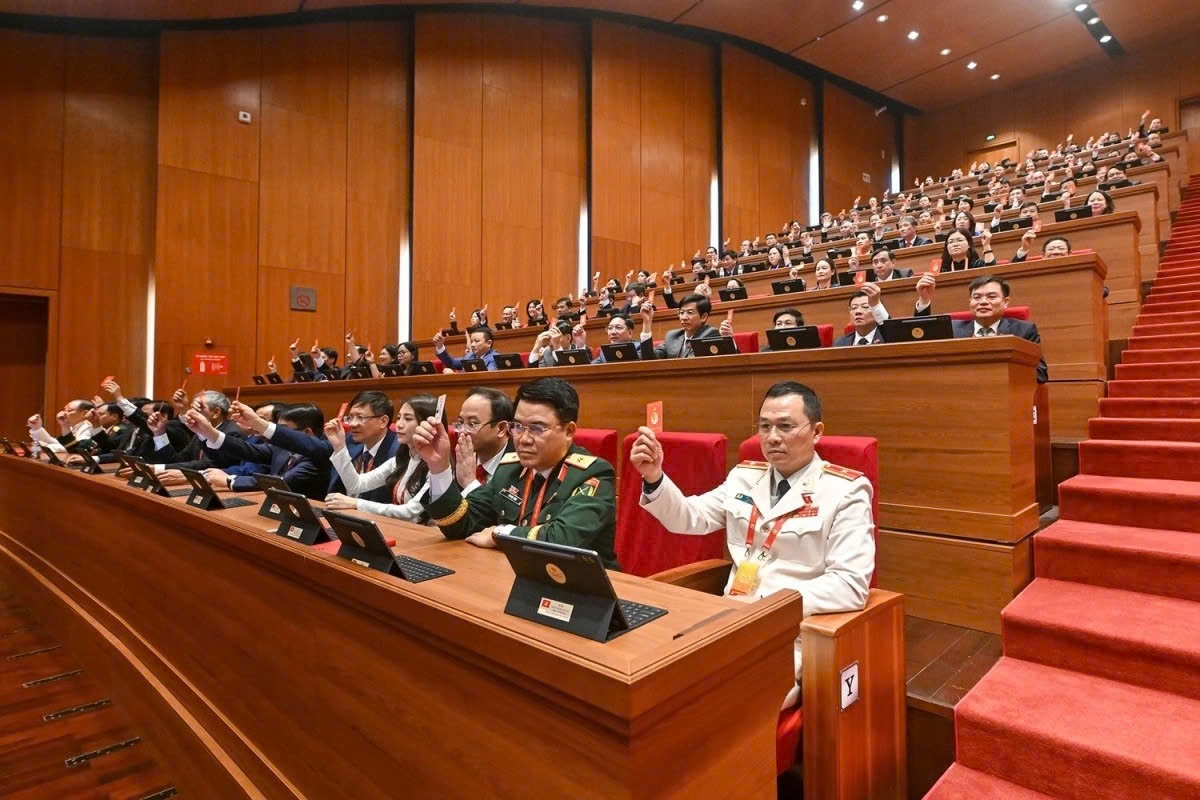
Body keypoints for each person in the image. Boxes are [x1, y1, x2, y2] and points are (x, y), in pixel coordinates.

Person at [630, 380, 873, 708]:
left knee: (706, 701)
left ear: (816, 431)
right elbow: (689, 518)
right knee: (648, 678)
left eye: (785, 426)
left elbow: (849, 585)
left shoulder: (846, 491)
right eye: (765, 427)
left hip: (789, 634)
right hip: (724, 622)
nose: (772, 438)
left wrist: (764, 606)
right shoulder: (744, 476)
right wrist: (654, 476)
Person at [411, 377, 619, 567]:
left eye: (537, 428)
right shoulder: (511, 467)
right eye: (518, 426)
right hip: (517, 576)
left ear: (569, 431)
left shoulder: (592, 474)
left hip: (580, 590)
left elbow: (562, 540)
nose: (524, 439)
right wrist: (438, 467)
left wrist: (499, 533)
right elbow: (461, 523)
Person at [234, 389, 401, 504]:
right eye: (351, 418)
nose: (354, 424)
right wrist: (259, 424)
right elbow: (307, 444)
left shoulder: (399, 451)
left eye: (361, 418)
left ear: (383, 421)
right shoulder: (349, 441)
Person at [322, 394, 441, 521]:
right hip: (399, 529)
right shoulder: (401, 460)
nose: (399, 424)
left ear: (429, 425)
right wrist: (340, 447)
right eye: (399, 418)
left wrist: (355, 503)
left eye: (408, 419)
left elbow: (410, 512)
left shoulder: (439, 466)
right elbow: (356, 485)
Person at [915, 274, 1049, 383]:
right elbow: (920, 341)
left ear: (1005, 302)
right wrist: (924, 300)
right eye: (977, 297)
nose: (983, 302)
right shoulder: (953, 329)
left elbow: (1040, 373)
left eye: (991, 297)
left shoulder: (1023, 330)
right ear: (970, 302)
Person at [185, 402, 330, 501]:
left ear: (307, 432)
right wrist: (209, 432)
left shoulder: (319, 455)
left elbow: (282, 483)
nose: (280, 436)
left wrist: (230, 481)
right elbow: (247, 450)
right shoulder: (281, 448)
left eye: (284, 430)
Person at [449, 387, 515, 493]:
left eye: (472, 424)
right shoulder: (462, 456)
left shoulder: (519, 466)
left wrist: (469, 483)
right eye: (460, 423)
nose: (462, 431)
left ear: (501, 428)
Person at [639, 294, 720, 359]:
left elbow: (690, 364)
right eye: (681, 312)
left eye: (690, 312)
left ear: (703, 317)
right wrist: (647, 323)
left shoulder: (711, 334)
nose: (683, 317)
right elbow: (649, 359)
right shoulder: (672, 336)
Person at [434, 326, 498, 371]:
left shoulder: (494, 358)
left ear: (489, 343)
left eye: (477, 341)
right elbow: (451, 363)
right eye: (472, 341)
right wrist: (440, 346)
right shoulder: (470, 355)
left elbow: (487, 377)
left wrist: (455, 375)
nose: (472, 345)